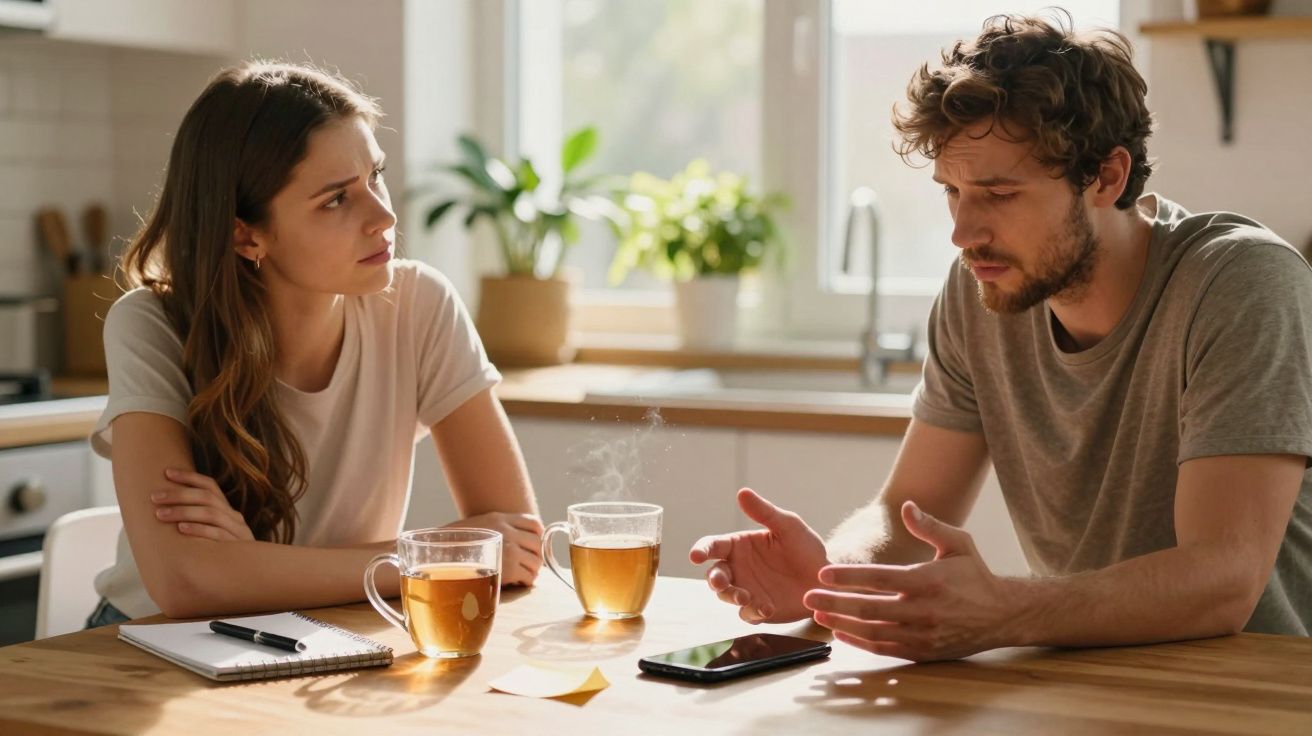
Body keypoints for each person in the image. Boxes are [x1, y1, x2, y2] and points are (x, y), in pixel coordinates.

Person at [690, 12, 1312, 661]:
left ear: (1106, 177)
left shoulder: (1241, 285)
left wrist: (1002, 612)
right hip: (1089, 683)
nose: (963, 232)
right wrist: (833, 578)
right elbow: (905, 508)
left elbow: (1223, 577)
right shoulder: (979, 293)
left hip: (1259, 691)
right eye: (952, 192)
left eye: (999, 193)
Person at [85, 61, 543, 627]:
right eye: (336, 200)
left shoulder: (418, 304)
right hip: (151, 646)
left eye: (375, 175)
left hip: (329, 632)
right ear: (245, 234)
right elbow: (184, 582)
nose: (383, 215)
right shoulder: (153, 325)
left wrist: (247, 566)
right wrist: (420, 559)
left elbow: (516, 546)